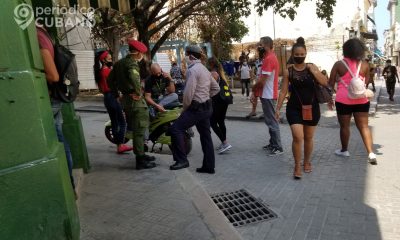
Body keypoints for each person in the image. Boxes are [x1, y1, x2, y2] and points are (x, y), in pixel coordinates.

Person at [275, 37, 329, 179]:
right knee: (298, 137)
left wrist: (315, 72)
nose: (299, 57)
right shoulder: (289, 71)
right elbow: (283, 91)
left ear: (306, 53)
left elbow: (325, 83)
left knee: (309, 137)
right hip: (294, 108)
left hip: (312, 107)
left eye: (302, 54)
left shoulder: (312, 67)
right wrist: (277, 108)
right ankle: (297, 165)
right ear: (292, 55)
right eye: (296, 55)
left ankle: (306, 161)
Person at [36, 24, 76, 198]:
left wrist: (34, 74)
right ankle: (70, 183)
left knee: (58, 140)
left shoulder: (37, 37)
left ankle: (69, 184)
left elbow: (53, 76)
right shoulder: (44, 33)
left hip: (50, 98)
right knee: (60, 140)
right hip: (55, 98)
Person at [169, 45, 220, 173]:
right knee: (205, 136)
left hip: (196, 108)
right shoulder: (203, 68)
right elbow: (216, 88)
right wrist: (206, 96)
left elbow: (188, 95)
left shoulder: (192, 70)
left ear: (191, 56)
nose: (185, 57)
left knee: (176, 129)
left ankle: (182, 160)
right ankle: (209, 166)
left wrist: (184, 109)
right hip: (207, 107)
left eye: (185, 54)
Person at [107, 40, 156, 170]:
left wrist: (116, 94)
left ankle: (141, 154)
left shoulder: (119, 64)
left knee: (136, 129)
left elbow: (109, 80)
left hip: (127, 102)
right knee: (140, 131)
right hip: (136, 102)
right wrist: (138, 92)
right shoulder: (132, 64)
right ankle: (140, 160)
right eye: (142, 54)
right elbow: (134, 78)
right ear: (138, 53)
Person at [328, 38, 377, 165]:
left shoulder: (339, 64)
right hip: (361, 99)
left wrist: (331, 95)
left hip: (343, 100)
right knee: (364, 126)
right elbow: (365, 83)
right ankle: (371, 152)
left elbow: (330, 82)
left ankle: (344, 150)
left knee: (344, 126)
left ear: (346, 50)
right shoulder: (365, 64)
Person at [250, 36, 284, 156]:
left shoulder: (269, 59)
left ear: (266, 46)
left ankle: (278, 147)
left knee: (272, 121)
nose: (259, 47)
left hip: (269, 95)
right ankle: (273, 143)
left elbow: (262, 81)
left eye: (260, 45)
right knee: (269, 120)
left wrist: (253, 90)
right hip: (266, 94)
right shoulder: (268, 58)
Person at [94, 51, 133, 154]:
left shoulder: (100, 71)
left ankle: (119, 146)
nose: (111, 60)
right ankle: (121, 145)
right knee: (122, 122)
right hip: (112, 96)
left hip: (107, 98)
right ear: (103, 60)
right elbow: (116, 83)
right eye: (109, 59)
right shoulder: (107, 71)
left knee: (115, 123)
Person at [207, 57, 233, 154]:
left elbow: (209, 87)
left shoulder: (213, 73)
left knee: (212, 122)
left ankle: (225, 143)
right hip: (224, 100)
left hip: (218, 100)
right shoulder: (220, 72)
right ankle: (224, 142)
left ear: (211, 64)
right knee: (221, 121)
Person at [246, 46, 265, 118]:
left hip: (262, 80)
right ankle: (253, 111)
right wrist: (253, 77)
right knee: (254, 96)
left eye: (258, 52)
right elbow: (254, 69)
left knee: (263, 97)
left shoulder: (265, 61)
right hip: (257, 80)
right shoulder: (257, 61)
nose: (257, 53)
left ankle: (264, 112)